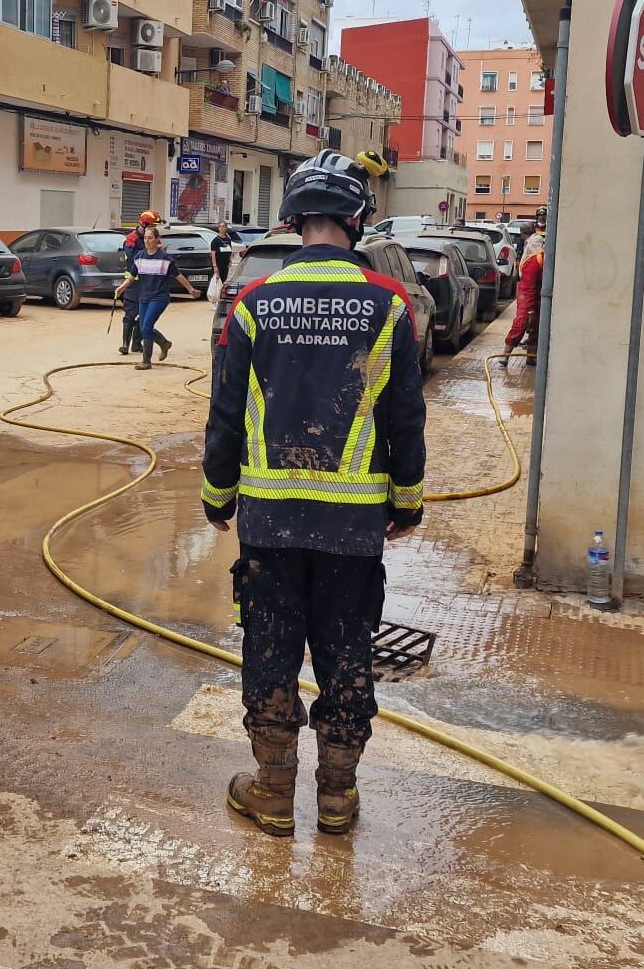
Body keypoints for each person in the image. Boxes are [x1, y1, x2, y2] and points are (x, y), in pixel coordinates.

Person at [201, 150, 428, 838]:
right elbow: (406, 417)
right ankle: (337, 798)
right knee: (346, 650)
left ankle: (271, 791)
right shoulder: (389, 305)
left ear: (294, 218)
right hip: (352, 524)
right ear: (358, 218)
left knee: (270, 650)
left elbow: (224, 411)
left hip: (269, 520)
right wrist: (408, 502)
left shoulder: (252, 302)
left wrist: (217, 497)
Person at [114, 225, 199, 369]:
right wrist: (123, 287)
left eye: (150, 238)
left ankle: (146, 361)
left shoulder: (165, 259)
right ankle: (164, 343)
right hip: (144, 297)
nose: (147, 241)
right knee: (143, 327)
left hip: (159, 298)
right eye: (145, 238)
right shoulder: (139, 256)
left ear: (157, 240)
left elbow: (178, 276)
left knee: (146, 326)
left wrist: (191, 289)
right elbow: (132, 276)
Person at [118, 209, 161, 356]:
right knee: (130, 314)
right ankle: (125, 344)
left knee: (144, 316)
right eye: (151, 226)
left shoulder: (154, 240)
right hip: (133, 283)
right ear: (143, 224)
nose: (153, 230)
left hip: (148, 283)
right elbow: (133, 258)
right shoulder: (131, 239)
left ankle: (137, 343)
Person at [503, 231, 544, 358]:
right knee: (522, 322)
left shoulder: (538, 259)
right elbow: (529, 287)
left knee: (536, 325)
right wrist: (531, 310)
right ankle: (505, 354)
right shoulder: (534, 262)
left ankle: (531, 356)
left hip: (535, 291)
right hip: (527, 292)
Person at [209, 220, 236, 299]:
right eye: (220, 226)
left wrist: (230, 260)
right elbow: (213, 254)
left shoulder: (228, 239)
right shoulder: (215, 240)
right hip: (218, 264)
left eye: (223, 226)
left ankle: (220, 297)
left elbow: (230, 250)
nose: (222, 228)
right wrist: (215, 266)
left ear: (226, 228)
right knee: (217, 281)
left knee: (223, 281)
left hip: (226, 264)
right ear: (218, 228)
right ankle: (214, 298)